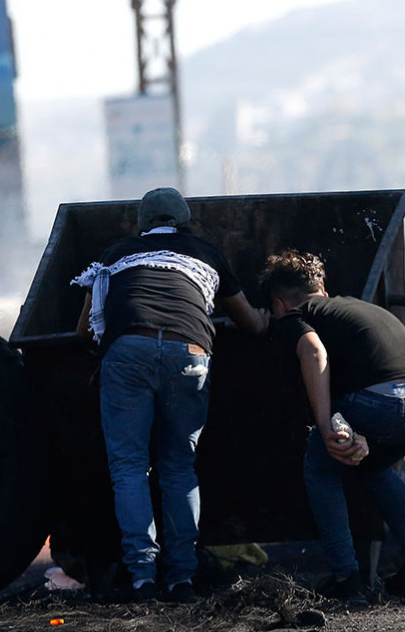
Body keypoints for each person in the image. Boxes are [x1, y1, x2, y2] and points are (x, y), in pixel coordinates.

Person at [74, 187, 268, 603]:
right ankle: (182, 579)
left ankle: (142, 578)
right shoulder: (206, 252)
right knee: (179, 468)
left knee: (129, 468)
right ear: (185, 222)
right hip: (190, 354)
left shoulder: (116, 253)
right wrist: (272, 317)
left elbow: (83, 329)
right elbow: (251, 323)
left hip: (127, 352)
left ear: (141, 225)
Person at [261, 250, 405, 606]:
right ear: (322, 289)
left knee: (320, 466)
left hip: (382, 403)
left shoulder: (294, 316)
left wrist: (325, 426)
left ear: (279, 303)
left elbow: (314, 353)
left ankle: (347, 579)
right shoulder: (357, 307)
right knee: (375, 469)